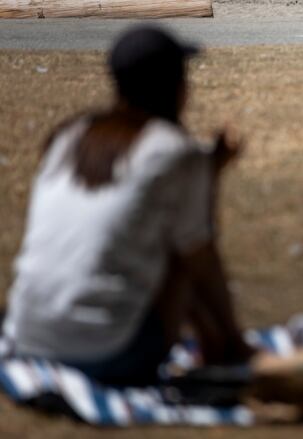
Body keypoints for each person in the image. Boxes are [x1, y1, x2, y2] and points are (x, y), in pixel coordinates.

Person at [1, 26, 253, 386]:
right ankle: (228, 347)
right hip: (110, 352)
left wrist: (205, 170)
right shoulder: (175, 151)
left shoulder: (71, 135)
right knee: (182, 250)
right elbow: (200, 254)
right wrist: (208, 177)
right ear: (178, 87)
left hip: (27, 337)